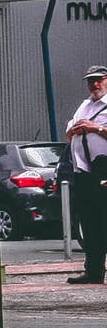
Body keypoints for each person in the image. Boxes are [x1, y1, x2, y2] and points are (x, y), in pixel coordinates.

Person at [62, 64, 107, 285]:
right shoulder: (84, 106)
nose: (94, 84)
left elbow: (97, 130)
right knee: (90, 223)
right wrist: (75, 130)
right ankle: (93, 271)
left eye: (99, 79)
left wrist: (95, 128)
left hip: (104, 169)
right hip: (84, 171)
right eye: (91, 81)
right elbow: (69, 132)